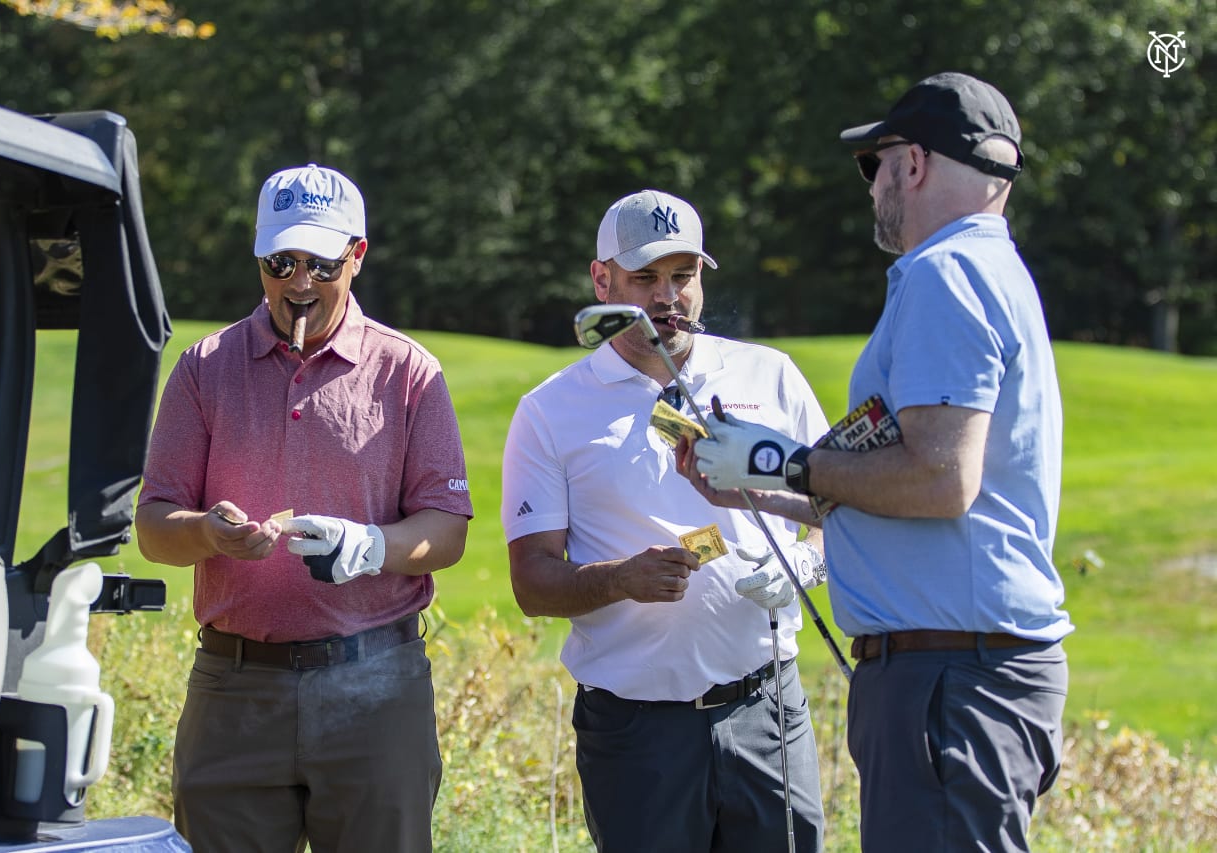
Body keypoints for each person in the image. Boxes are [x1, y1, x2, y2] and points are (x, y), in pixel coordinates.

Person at [681, 73, 1072, 852]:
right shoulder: (991, 269)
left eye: (876, 164)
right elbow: (896, 485)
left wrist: (785, 460)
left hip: (950, 680)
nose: (874, 187)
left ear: (915, 164)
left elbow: (940, 479)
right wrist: (759, 481)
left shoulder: (944, 273)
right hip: (964, 674)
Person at [135, 163, 473, 853]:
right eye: (280, 261)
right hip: (235, 688)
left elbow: (446, 530)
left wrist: (371, 546)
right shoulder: (205, 366)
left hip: (376, 687)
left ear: (357, 256)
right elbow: (153, 525)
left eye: (320, 263)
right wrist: (207, 532)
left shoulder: (408, 371)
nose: (299, 282)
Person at [501, 188, 830, 852]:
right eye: (645, 277)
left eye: (683, 276)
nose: (667, 295)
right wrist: (621, 578)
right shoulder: (551, 411)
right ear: (603, 279)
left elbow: (834, 507)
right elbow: (533, 582)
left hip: (767, 709)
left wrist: (803, 562)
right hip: (636, 731)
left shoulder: (770, 375)